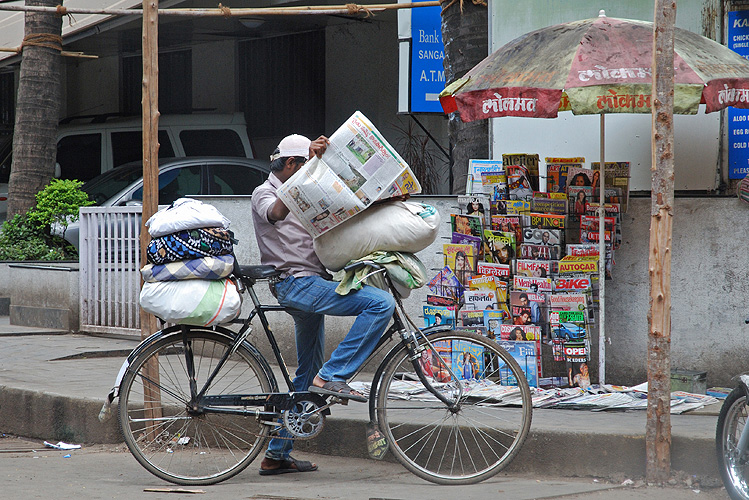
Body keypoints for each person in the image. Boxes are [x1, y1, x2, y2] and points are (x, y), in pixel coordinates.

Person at [251, 134, 397, 475]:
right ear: (290, 165)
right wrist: (308, 170)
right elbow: (275, 212)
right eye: (303, 165)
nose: (307, 172)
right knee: (380, 305)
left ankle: (276, 455)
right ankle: (332, 376)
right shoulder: (266, 192)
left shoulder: (303, 190)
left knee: (306, 372)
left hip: (313, 283)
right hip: (294, 284)